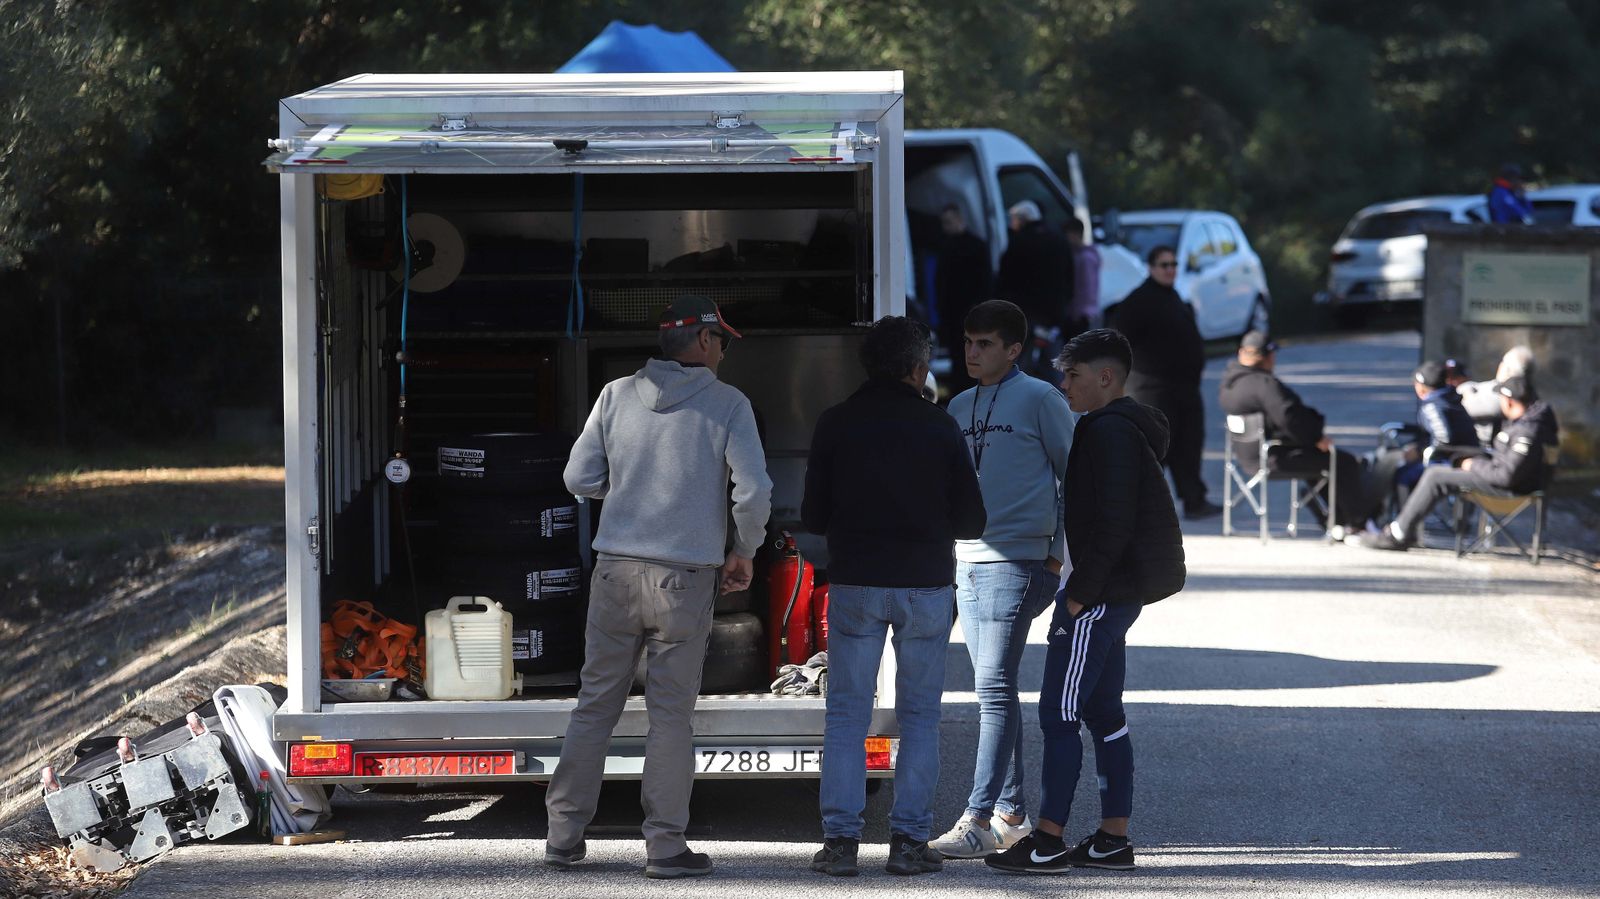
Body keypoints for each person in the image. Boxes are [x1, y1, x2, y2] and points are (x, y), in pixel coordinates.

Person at [544, 294, 773, 880]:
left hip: (615, 569)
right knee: (671, 716)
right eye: (720, 339)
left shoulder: (616, 395)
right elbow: (753, 490)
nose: (722, 350)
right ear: (702, 341)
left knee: (595, 705)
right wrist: (743, 549)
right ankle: (665, 848)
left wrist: (625, 497)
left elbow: (577, 477)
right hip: (684, 578)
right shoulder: (728, 404)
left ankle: (564, 837)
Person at [985, 329, 1185, 875]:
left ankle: (1047, 842)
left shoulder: (1109, 433)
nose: (1063, 384)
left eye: (1072, 375)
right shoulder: (1112, 427)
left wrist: (1077, 597)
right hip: (1112, 596)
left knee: (1059, 713)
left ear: (1106, 378)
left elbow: (1114, 524)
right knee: (1103, 713)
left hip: (1098, 599)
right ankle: (1111, 841)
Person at [804, 316, 986, 878]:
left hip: (857, 583)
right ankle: (908, 842)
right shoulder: (939, 427)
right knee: (921, 717)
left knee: (845, 717)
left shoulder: (836, 423)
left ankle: (840, 844)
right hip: (926, 585)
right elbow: (973, 520)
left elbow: (812, 516)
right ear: (916, 367)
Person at [932, 300, 1074, 859]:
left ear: (1014, 348)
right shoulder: (959, 404)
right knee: (997, 689)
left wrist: (1057, 556)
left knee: (992, 689)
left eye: (985, 343)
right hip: (965, 558)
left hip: (1019, 561)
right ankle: (1011, 813)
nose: (972, 352)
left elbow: (1075, 478)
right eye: (967, 341)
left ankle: (978, 819)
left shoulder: (1042, 398)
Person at [1362, 376, 1558, 551]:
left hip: (1512, 490)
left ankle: (1399, 533)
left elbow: (1506, 476)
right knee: (1442, 469)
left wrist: (1471, 465)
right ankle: (1404, 529)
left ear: (1508, 401)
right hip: (1511, 481)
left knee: (1435, 476)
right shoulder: (1530, 422)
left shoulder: (1528, 431)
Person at [1104, 245, 1220, 520]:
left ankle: (1194, 500)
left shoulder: (1173, 297)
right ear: (1151, 267)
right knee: (1155, 450)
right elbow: (1117, 341)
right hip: (1153, 390)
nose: (1170, 270)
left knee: (1189, 446)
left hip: (1184, 387)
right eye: (1164, 265)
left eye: (1173, 264)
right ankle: (1139, 508)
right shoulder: (1138, 301)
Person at [1217, 331, 1367, 532]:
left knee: (1317, 460)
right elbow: (1290, 417)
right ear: (1268, 357)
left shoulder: (1229, 384)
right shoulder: (1264, 385)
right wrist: (1315, 438)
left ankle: (1336, 520)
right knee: (1342, 462)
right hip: (1271, 457)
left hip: (1245, 457)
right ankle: (1358, 524)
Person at [1367, 361, 1480, 521]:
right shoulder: (1449, 396)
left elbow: (1444, 438)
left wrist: (1419, 451)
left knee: (1401, 475)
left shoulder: (1433, 405)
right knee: (1391, 461)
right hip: (1463, 455)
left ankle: (1404, 525)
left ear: (1420, 387)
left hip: (1448, 460)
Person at [996, 200, 1075, 380]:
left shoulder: (1019, 241)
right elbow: (1070, 276)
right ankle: (1058, 400)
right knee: (1053, 361)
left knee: (1019, 361)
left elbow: (1006, 277)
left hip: (1026, 312)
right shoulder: (1058, 238)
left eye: (1013, 219)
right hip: (1054, 313)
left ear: (1022, 220)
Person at [935, 203, 993, 393]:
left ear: (960, 220)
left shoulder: (968, 246)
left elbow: (983, 281)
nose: (945, 227)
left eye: (949, 222)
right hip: (957, 311)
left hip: (966, 310)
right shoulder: (961, 245)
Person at [1458, 345, 1536, 444]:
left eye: (1503, 362)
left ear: (1508, 369)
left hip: (1484, 451)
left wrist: (1467, 393)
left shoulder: (1506, 396)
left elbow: (1462, 406)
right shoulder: (1524, 391)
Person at [1064, 218, 1101, 340]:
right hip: (1080, 312)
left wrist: (1077, 312)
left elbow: (1086, 288)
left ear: (1075, 234)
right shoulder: (1081, 255)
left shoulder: (1085, 258)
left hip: (1081, 314)